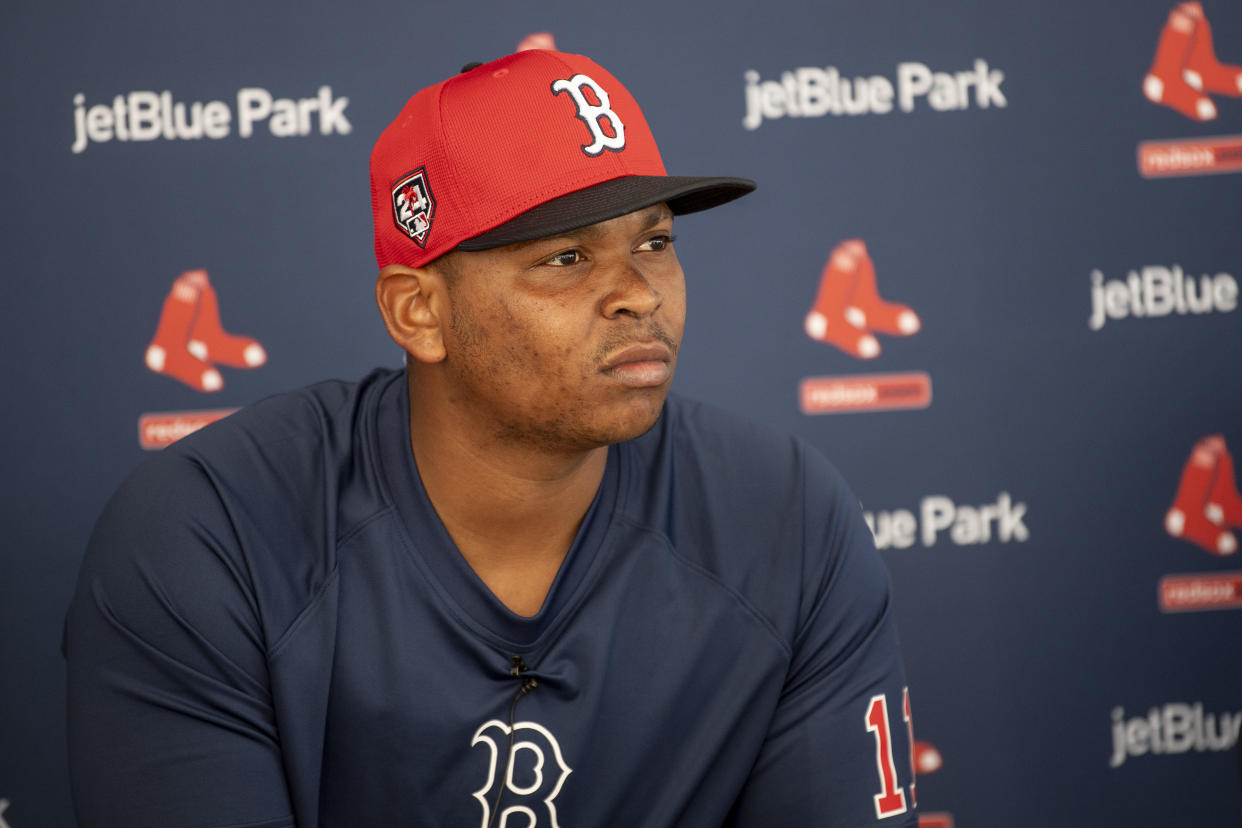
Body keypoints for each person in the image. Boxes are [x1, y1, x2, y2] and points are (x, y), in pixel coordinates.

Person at [65, 49, 917, 827]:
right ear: (419, 312)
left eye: (654, 242)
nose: (639, 294)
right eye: (566, 259)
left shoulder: (787, 518)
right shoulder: (208, 532)